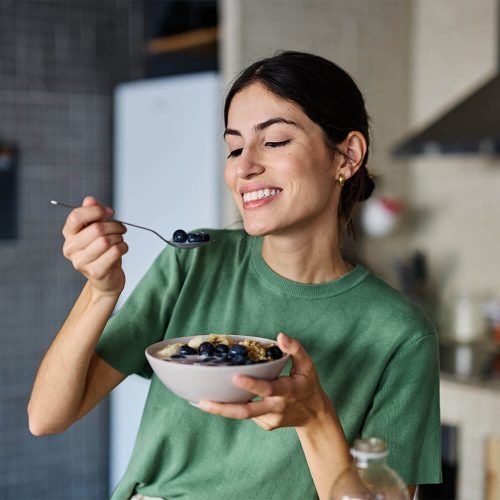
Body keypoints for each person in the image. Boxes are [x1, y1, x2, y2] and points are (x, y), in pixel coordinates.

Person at [28, 51, 441, 500]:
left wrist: (314, 415)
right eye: (234, 147)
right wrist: (100, 290)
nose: (244, 167)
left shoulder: (400, 333)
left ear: (347, 156)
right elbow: (47, 417)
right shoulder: (194, 262)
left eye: (276, 141)